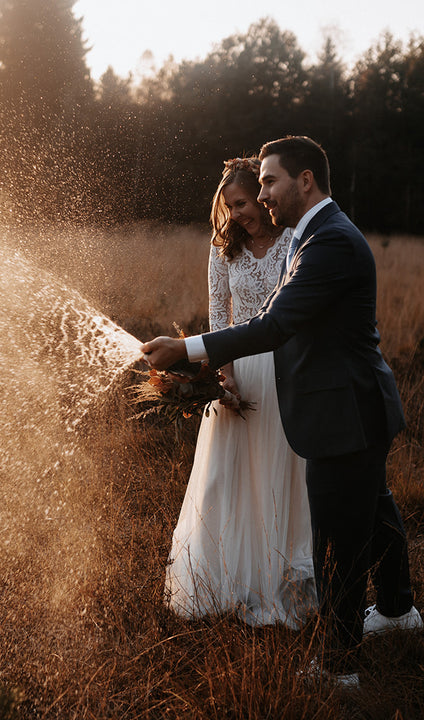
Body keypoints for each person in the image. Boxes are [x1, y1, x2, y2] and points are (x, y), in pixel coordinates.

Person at [142, 136, 421, 686]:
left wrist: (188, 348)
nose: (262, 193)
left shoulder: (328, 242)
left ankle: (339, 666)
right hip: (351, 405)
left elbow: (274, 324)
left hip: (343, 412)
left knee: (338, 536)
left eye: (269, 182)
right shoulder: (315, 234)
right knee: (376, 515)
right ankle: (397, 610)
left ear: (306, 180)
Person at [164, 157, 317, 628]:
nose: (236, 214)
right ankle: (228, 581)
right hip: (238, 373)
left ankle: (282, 583)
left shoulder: (294, 241)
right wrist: (221, 375)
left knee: (280, 475)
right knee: (228, 479)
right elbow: (218, 314)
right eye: (228, 206)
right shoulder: (222, 249)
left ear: (264, 197)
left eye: (244, 203)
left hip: (286, 372)